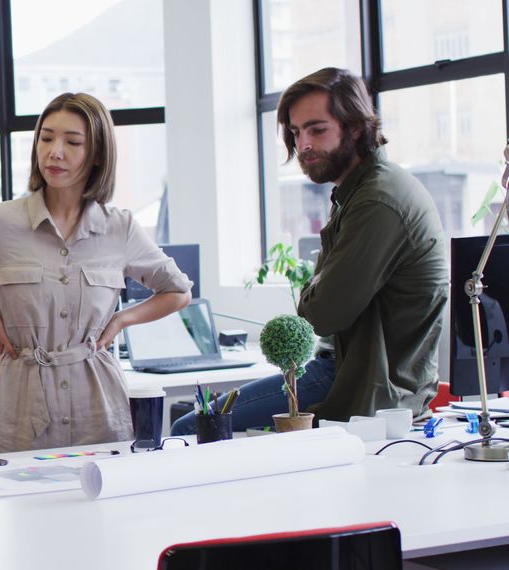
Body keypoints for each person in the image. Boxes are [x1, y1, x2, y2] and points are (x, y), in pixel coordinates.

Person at [0, 93, 192, 453]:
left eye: (72, 142)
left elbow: (178, 291)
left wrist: (121, 320)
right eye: (46, 138)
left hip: (99, 406)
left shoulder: (119, 228)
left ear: (98, 154)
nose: (54, 151)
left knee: (104, 505)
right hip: (21, 407)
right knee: (23, 504)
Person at [171, 67, 448, 435]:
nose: (303, 145)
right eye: (296, 132)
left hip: (363, 383)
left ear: (355, 127)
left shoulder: (377, 200)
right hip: (358, 372)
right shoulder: (359, 191)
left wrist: (315, 286)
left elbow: (321, 315)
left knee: (190, 429)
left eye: (317, 130)